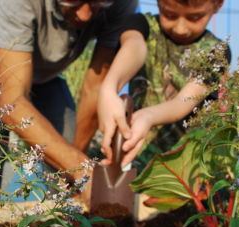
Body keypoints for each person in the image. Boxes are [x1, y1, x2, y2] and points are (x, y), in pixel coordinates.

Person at [0, 0, 138, 204]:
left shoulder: (122, 3)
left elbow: (95, 88)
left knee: (66, 145)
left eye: (97, 2)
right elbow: (12, 103)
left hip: (44, 76)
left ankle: (58, 221)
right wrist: (80, 168)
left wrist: (76, 170)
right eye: (74, 1)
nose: (86, 15)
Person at [98, 0, 230, 170]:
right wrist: (109, 88)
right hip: (137, 152)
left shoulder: (217, 51)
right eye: (169, 15)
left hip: (188, 162)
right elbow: (134, 46)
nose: (180, 28)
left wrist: (147, 116)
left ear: (218, 5)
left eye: (195, 18)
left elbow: (182, 102)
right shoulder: (140, 25)